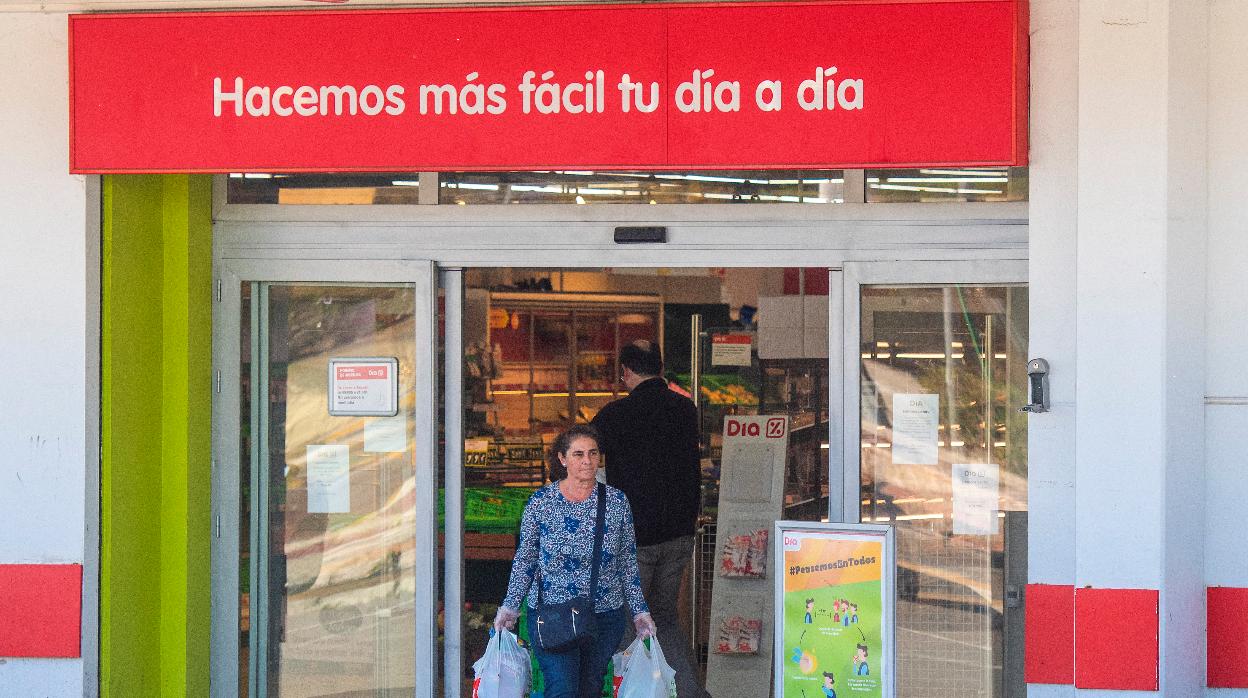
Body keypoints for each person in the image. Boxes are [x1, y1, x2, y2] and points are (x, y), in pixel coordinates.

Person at [493, 425, 656, 698]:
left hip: (602, 613)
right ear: (562, 459)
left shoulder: (616, 502)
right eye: (578, 454)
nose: (587, 461)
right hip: (551, 613)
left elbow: (627, 561)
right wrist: (509, 607)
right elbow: (526, 559)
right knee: (562, 688)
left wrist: (640, 612)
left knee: (590, 687)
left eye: (593, 453)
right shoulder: (541, 503)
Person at [591, 340, 709, 698]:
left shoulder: (613, 417)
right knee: (664, 617)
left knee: (631, 620)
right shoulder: (686, 410)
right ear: (659, 368)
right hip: (678, 535)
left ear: (626, 371)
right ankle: (689, 692)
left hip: (635, 539)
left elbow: (582, 460)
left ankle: (635, 691)